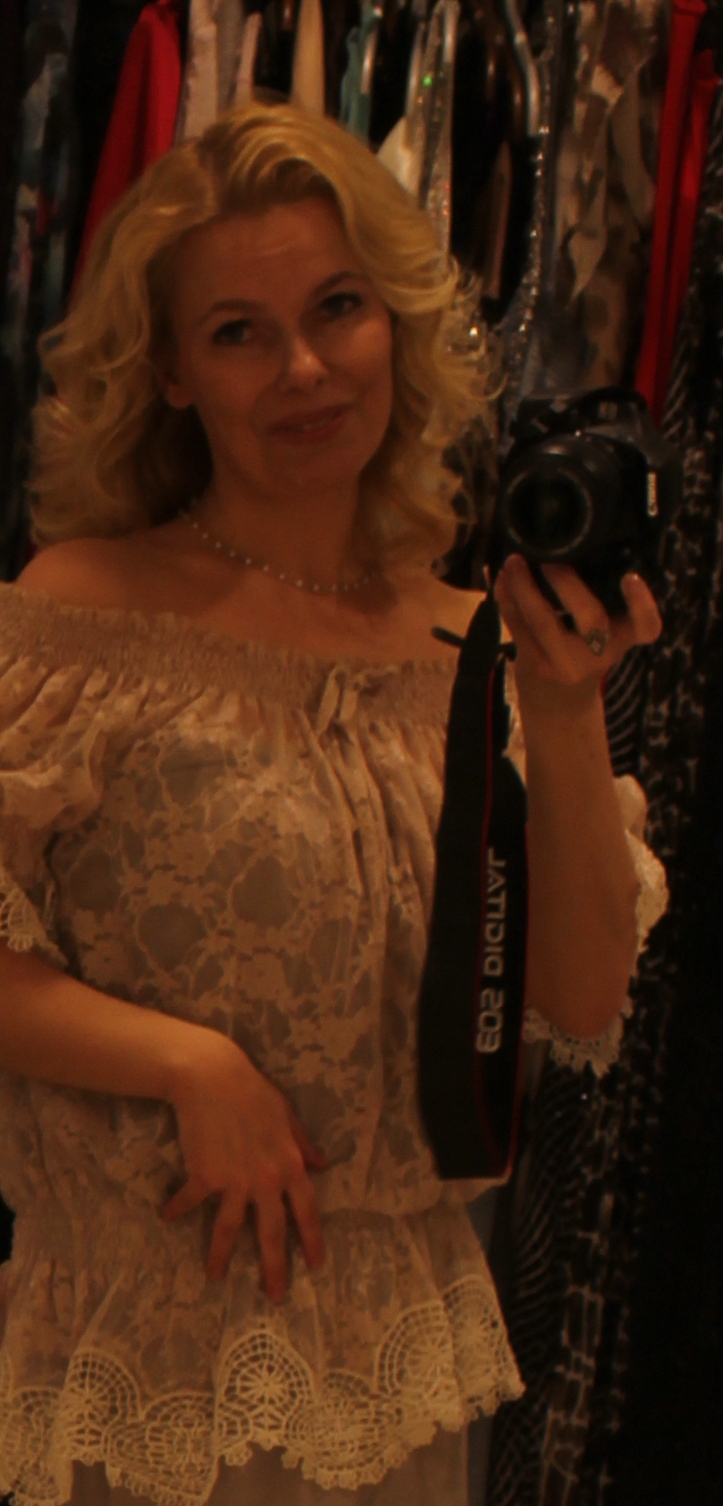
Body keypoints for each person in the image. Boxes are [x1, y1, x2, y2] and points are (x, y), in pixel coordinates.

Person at [0, 104, 666, 1506]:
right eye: (239, 332)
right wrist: (189, 1066)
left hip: (396, 1371)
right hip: (146, 1362)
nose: (303, 368)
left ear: (397, 323)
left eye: (338, 308)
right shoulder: (82, 616)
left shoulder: (471, 643)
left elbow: (582, 995)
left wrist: (563, 710)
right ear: (171, 371)